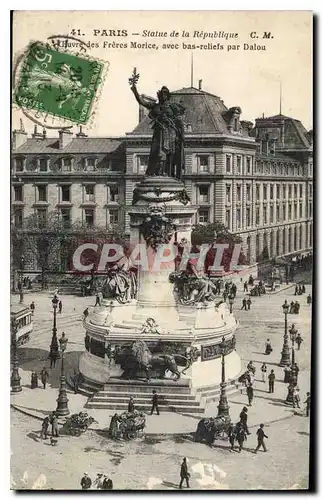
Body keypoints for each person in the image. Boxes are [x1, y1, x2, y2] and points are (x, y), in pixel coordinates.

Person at [130, 79, 185, 180]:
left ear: (168, 96)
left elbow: (179, 120)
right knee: (156, 152)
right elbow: (142, 101)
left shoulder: (173, 107)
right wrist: (135, 91)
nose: (163, 96)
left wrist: (180, 133)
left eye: (165, 94)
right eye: (162, 94)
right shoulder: (155, 106)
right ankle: (156, 172)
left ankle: (168, 173)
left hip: (170, 133)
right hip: (158, 132)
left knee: (169, 153)